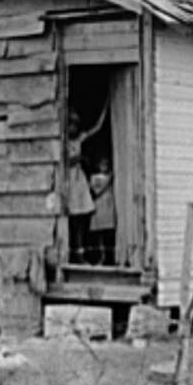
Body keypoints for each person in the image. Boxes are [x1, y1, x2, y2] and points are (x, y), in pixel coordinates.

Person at [66, 104, 108, 263]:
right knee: (70, 216)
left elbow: (96, 128)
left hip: (78, 179)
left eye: (76, 124)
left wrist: (105, 109)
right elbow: (65, 160)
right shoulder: (63, 139)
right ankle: (72, 252)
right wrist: (79, 159)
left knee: (83, 216)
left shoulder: (79, 138)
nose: (73, 127)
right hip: (68, 178)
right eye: (71, 123)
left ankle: (80, 252)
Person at [88, 156, 117, 265]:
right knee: (98, 234)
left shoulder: (109, 176)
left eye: (106, 164)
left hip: (108, 207)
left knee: (107, 234)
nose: (104, 166)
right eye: (102, 164)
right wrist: (108, 181)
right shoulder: (95, 177)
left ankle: (109, 257)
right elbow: (95, 191)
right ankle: (99, 257)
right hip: (99, 207)